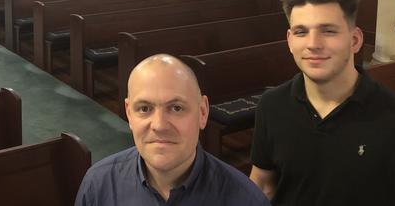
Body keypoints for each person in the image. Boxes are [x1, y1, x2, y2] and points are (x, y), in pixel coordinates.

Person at [249, 0, 395, 205]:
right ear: (289, 41)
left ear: (355, 40)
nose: (313, 44)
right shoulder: (272, 105)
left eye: (328, 31)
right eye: (301, 32)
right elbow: (262, 184)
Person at [75, 54, 270, 206]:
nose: (159, 125)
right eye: (144, 109)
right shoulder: (98, 185)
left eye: (176, 108)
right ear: (129, 114)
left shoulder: (246, 199)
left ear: (202, 112)